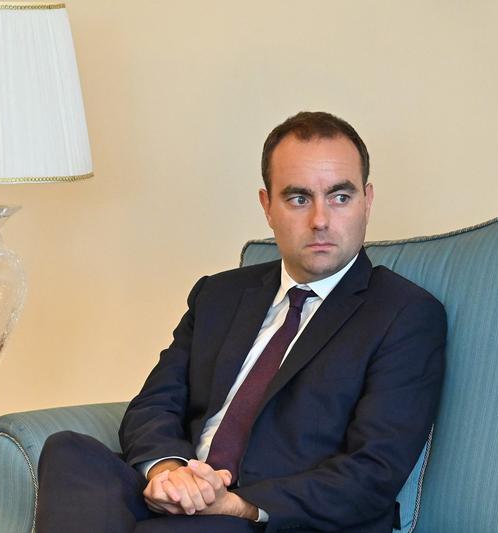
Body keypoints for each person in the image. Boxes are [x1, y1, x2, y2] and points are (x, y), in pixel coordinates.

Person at [35, 111, 446, 533]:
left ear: (367, 201)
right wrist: (169, 472)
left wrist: (236, 505)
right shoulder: (219, 294)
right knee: (69, 451)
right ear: (267, 207)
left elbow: (373, 471)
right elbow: (156, 403)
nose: (320, 220)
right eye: (299, 199)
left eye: (340, 197)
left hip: (273, 518)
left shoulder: (403, 314)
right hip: (188, 495)